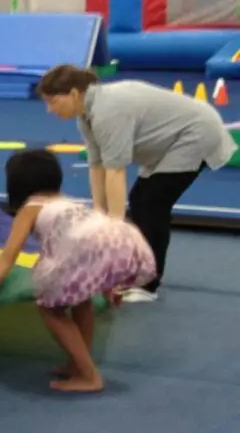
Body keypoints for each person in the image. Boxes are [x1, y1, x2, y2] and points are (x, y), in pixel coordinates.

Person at [38, 65, 236, 302]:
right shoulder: (85, 116)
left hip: (196, 134)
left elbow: (115, 171)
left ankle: (147, 284)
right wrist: (99, 214)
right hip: (168, 140)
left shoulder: (108, 111)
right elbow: (96, 166)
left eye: (52, 101)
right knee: (141, 199)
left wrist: (114, 226)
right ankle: (138, 270)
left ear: (73, 94)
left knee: (152, 203)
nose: (49, 110)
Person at [0, 149, 154, 393]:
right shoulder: (70, 202)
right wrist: (109, 285)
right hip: (123, 238)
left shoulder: (30, 208)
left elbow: (8, 257)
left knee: (50, 308)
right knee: (81, 299)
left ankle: (89, 375)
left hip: (89, 248)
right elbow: (98, 247)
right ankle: (78, 364)